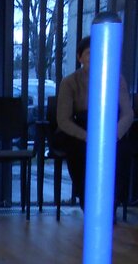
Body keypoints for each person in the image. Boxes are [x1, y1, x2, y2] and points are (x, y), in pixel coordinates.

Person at [55, 35, 133, 209]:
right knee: (78, 151)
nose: (95, 56)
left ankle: (112, 204)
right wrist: (88, 137)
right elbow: (63, 120)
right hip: (80, 129)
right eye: (89, 53)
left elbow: (128, 113)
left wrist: (114, 135)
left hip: (110, 128)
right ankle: (87, 202)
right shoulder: (69, 82)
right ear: (80, 57)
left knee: (122, 151)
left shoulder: (116, 79)